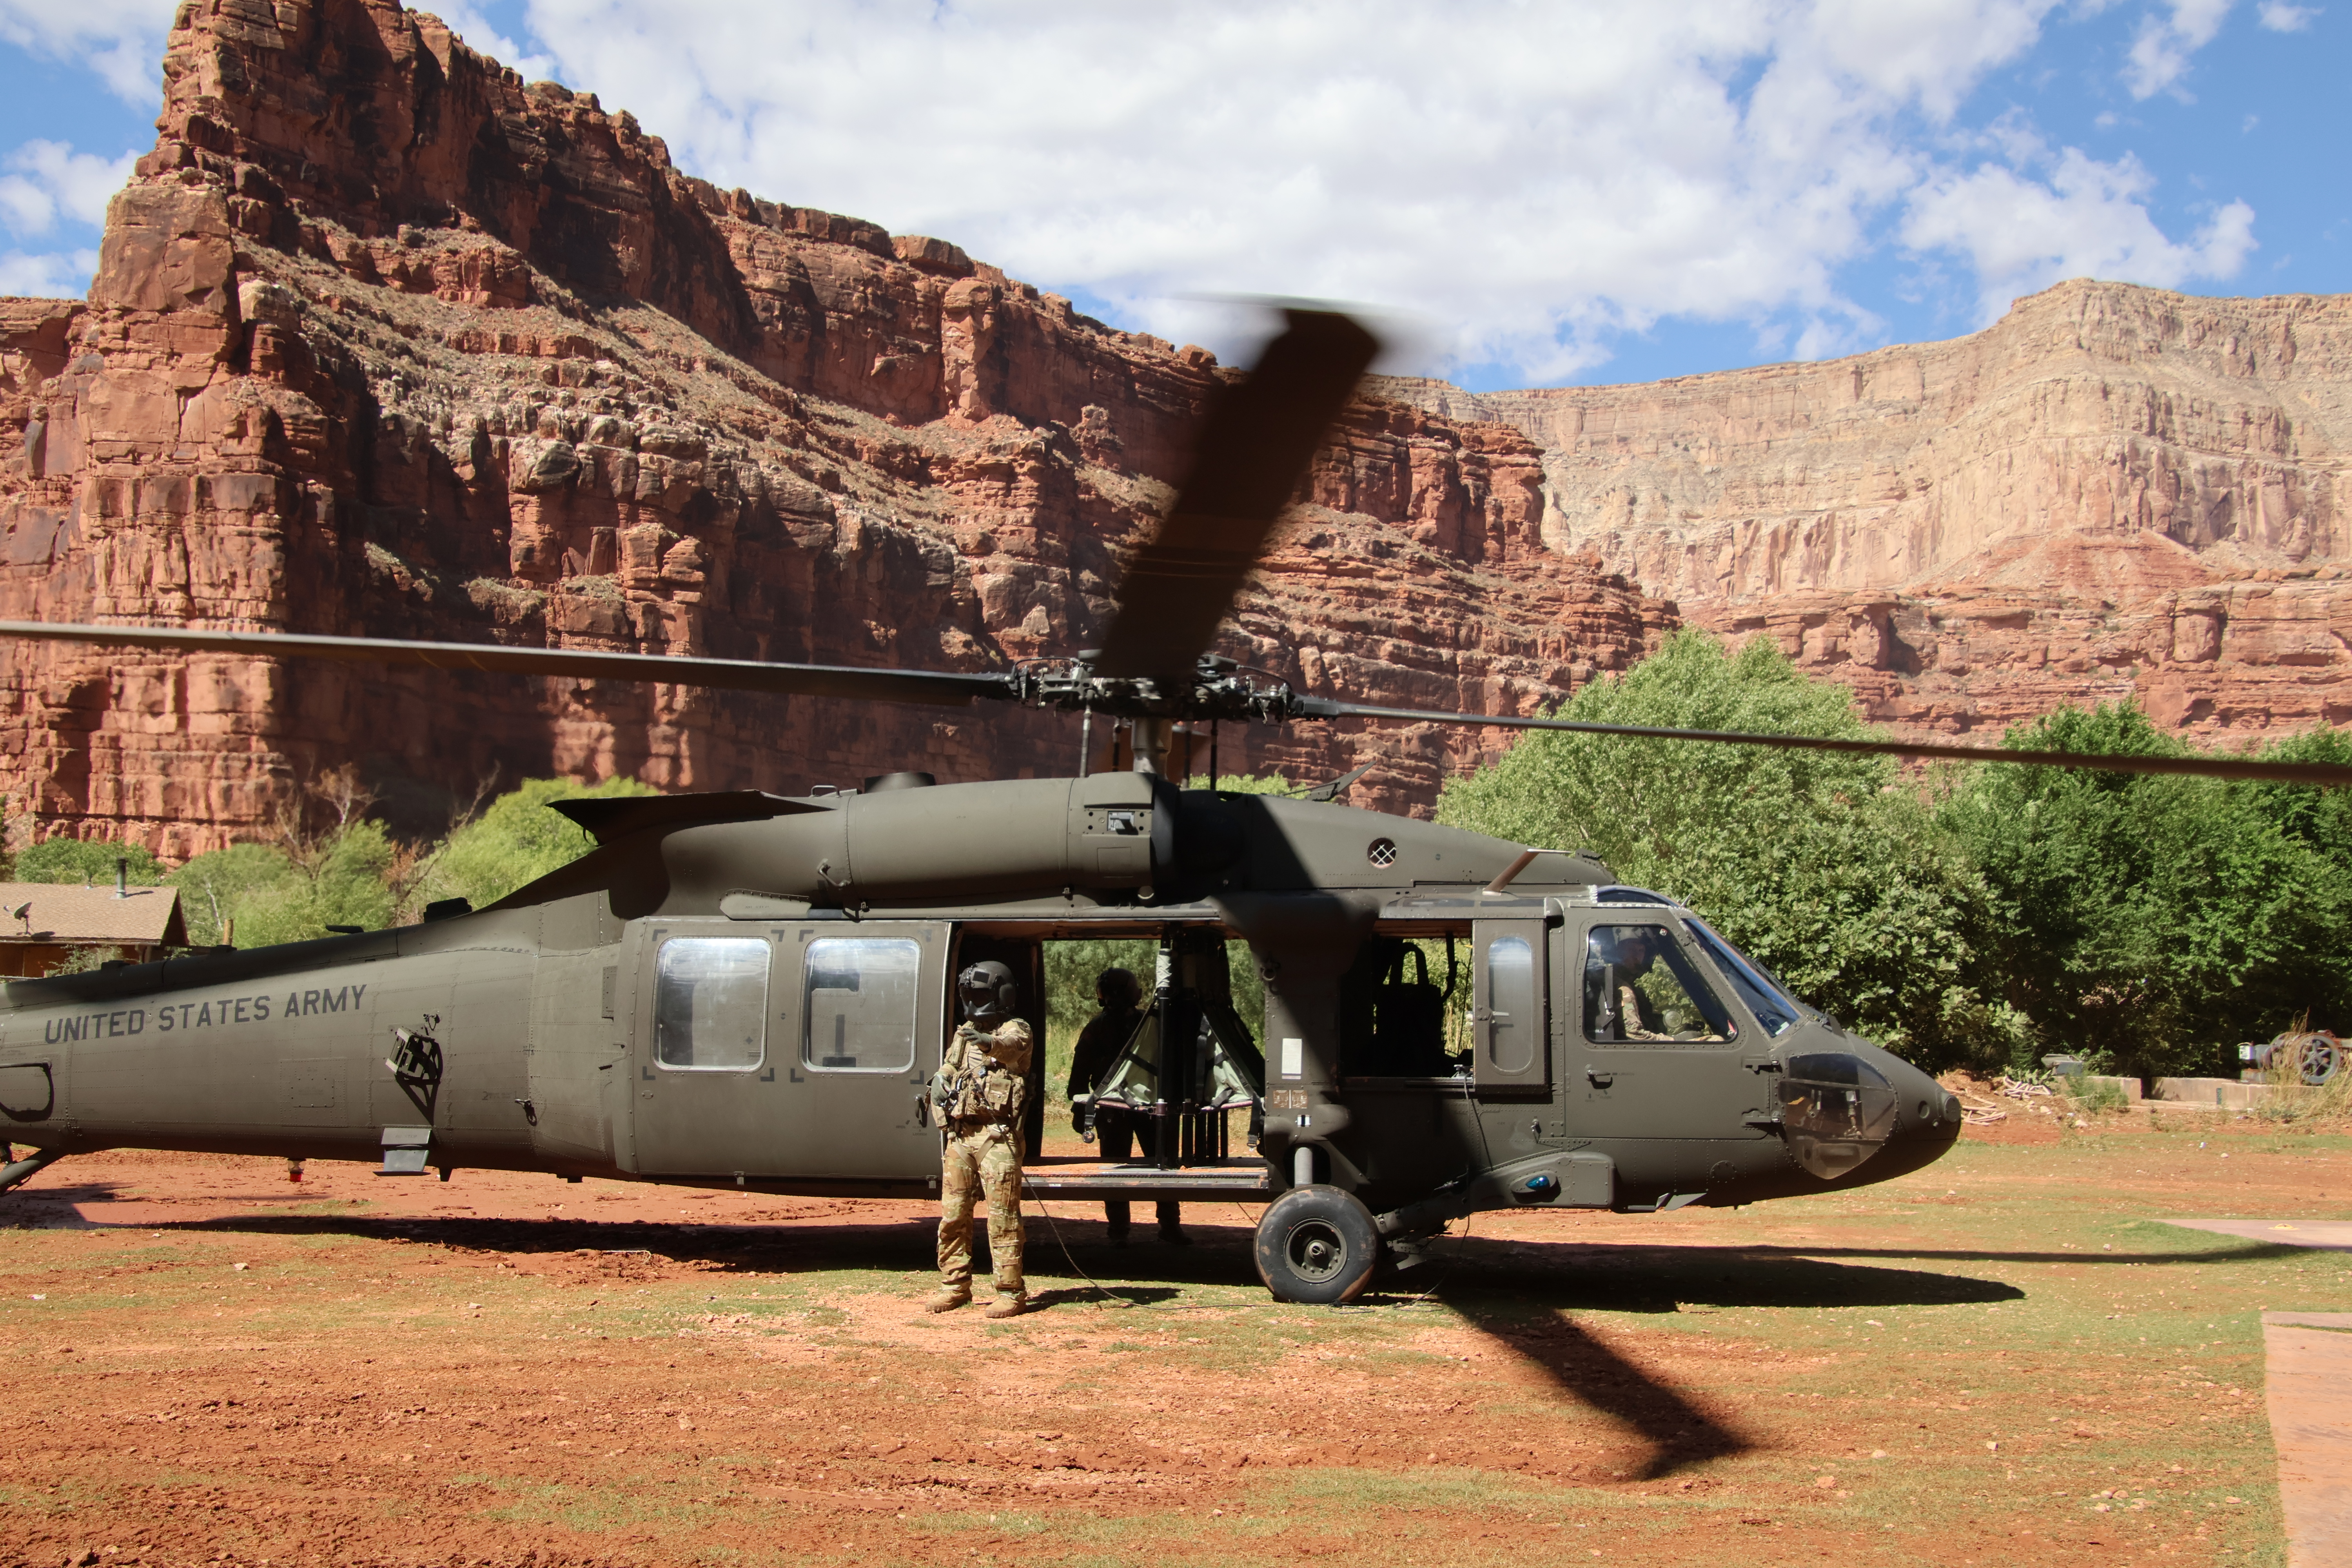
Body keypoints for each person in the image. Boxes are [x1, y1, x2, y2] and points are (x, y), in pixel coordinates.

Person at [925, 960, 1036, 1317]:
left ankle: (1010, 1291)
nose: (974, 1002)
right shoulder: (965, 1032)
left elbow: (1009, 1046)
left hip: (997, 1137)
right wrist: (940, 1080)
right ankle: (955, 1286)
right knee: (953, 1216)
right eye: (970, 995)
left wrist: (987, 1041)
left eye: (980, 995)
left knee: (1002, 1217)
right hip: (962, 1135)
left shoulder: (1017, 1028)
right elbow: (950, 1065)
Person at [1067, 966, 1187, 1245]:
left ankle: (1152, 1228)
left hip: (1143, 1109)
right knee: (1125, 1170)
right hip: (1122, 1110)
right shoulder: (1147, 1024)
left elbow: (1077, 1078)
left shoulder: (1146, 1024)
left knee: (1157, 1168)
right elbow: (1079, 1076)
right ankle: (1131, 1230)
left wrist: (1080, 1108)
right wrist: (1081, 1109)